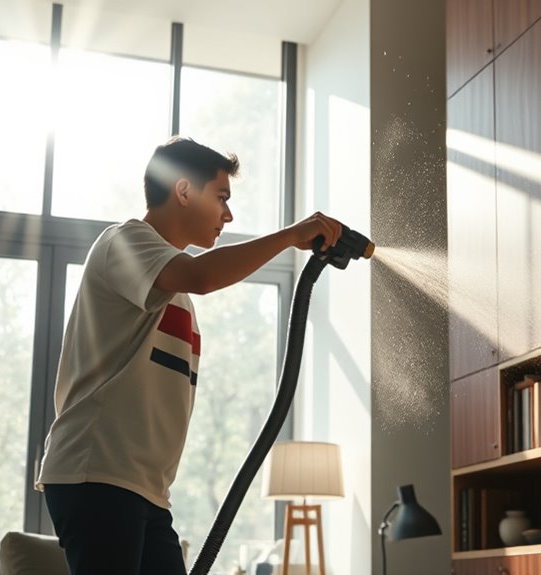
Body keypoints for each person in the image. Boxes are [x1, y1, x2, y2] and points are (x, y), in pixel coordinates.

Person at [35, 136, 342, 575]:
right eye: (221, 197)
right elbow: (201, 275)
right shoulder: (123, 242)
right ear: (183, 191)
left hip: (144, 487)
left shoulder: (173, 291)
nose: (228, 214)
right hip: (97, 471)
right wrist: (291, 235)